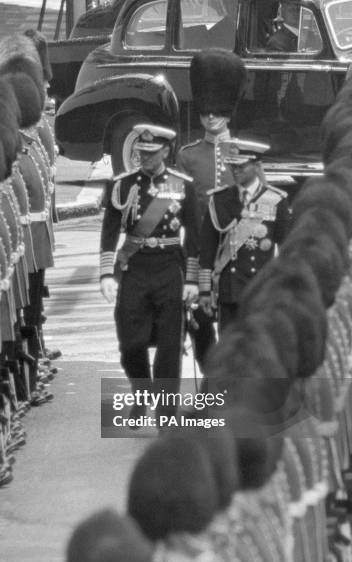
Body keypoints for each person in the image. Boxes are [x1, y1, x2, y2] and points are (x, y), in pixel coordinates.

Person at [100, 124, 199, 425]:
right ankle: (141, 396)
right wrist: (106, 274)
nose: (143, 156)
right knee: (131, 343)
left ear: (166, 151)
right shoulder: (122, 185)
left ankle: (166, 413)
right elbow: (109, 231)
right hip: (135, 269)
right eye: (140, 152)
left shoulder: (183, 185)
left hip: (170, 267)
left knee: (169, 346)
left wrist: (193, 280)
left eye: (150, 152)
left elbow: (194, 234)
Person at [177, 49, 247, 368]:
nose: (211, 116)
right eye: (206, 111)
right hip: (197, 257)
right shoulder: (187, 156)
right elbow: (176, 208)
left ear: (228, 111)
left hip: (234, 255)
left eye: (217, 110)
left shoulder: (244, 155)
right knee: (201, 329)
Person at [199, 139, 292, 332]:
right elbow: (207, 248)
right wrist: (204, 289)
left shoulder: (275, 200)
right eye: (232, 165)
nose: (235, 170)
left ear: (257, 166)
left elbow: (287, 250)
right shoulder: (220, 199)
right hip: (229, 290)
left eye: (241, 165)